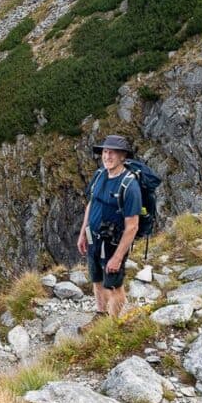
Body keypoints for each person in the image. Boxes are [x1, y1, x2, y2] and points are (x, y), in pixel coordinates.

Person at [76, 134, 141, 318]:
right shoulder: (99, 175)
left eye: (113, 153)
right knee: (97, 279)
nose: (108, 156)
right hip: (92, 238)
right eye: (105, 151)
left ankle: (111, 327)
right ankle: (100, 315)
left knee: (113, 286)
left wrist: (118, 257)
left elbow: (132, 227)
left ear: (123, 157)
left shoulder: (130, 186)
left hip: (112, 244)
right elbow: (91, 204)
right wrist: (82, 233)